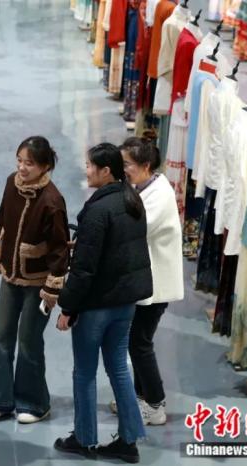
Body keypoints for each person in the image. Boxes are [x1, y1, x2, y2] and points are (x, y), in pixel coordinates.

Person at [54, 143, 152, 463]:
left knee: (84, 372)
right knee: (119, 369)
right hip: (125, 303)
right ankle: (129, 440)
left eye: (89, 165)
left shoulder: (97, 210)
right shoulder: (132, 200)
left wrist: (67, 307)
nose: (86, 170)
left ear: (105, 170)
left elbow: (84, 269)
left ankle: (84, 439)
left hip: (97, 305)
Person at [0, 136, 70, 424]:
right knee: (3, 336)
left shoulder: (52, 200)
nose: (22, 167)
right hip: (10, 275)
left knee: (29, 340)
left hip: (38, 282)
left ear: (45, 166)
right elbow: (2, 220)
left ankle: (35, 403)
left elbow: (59, 248)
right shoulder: (12, 183)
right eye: (19, 161)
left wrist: (53, 287)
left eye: (29, 163)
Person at [117, 137, 184, 425]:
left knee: (139, 342)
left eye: (127, 164)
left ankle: (155, 404)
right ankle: (140, 397)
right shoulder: (141, 187)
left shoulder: (160, 194)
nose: (123, 169)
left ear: (145, 165)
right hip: (144, 280)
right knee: (135, 340)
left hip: (156, 284)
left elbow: (136, 228)